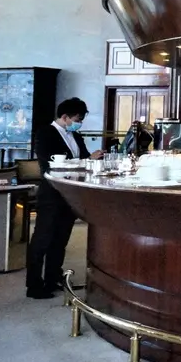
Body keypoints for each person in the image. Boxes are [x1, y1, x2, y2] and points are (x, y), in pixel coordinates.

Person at [26, 98, 103, 299]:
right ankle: (34, 284)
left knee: (60, 240)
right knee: (42, 239)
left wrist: (91, 159)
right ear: (65, 117)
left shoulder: (75, 135)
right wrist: (85, 160)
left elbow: (84, 158)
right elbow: (48, 164)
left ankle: (53, 278)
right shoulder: (45, 133)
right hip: (51, 193)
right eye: (77, 119)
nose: (80, 123)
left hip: (70, 194)